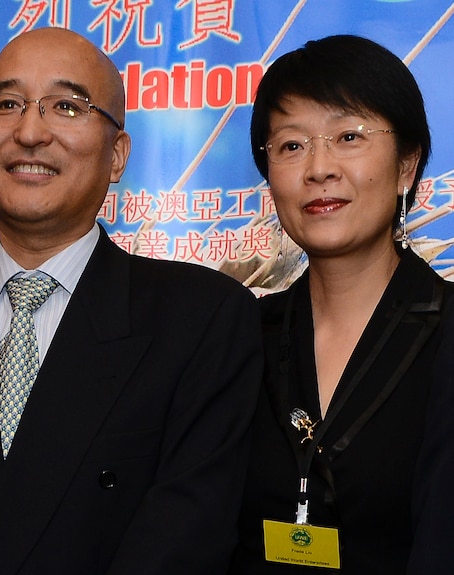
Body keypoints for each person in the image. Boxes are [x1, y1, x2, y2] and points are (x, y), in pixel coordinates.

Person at [0, 26, 263, 575]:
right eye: (6, 104)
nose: (30, 131)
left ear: (117, 154)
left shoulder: (202, 318)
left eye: (66, 106)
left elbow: (186, 536)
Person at [228, 35, 453, 574]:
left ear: (406, 166)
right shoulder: (240, 338)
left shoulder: (447, 336)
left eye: (348, 136)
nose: (318, 168)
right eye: (291, 145)